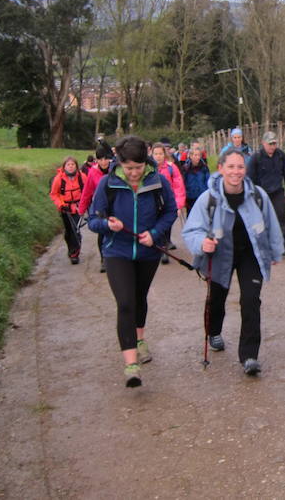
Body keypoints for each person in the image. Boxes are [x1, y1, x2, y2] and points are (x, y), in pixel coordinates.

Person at [183, 148, 283, 376]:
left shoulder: (257, 195)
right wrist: (202, 243)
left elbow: (271, 224)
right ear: (220, 169)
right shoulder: (208, 198)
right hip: (219, 254)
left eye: (240, 167)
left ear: (245, 170)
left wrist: (275, 252)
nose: (236, 172)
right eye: (231, 167)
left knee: (251, 300)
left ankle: (249, 355)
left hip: (251, 254)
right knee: (216, 298)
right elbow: (191, 230)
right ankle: (214, 331)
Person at [88, 135, 177, 388]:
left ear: (145, 161)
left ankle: (140, 339)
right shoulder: (107, 184)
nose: (134, 173)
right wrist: (107, 224)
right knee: (125, 302)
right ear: (120, 163)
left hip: (148, 252)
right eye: (129, 168)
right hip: (118, 252)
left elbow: (170, 211)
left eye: (138, 167)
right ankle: (131, 365)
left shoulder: (158, 182)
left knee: (139, 297)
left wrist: (155, 234)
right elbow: (93, 221)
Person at [247, 131, 285, 256]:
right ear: (263, 143)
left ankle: (284, 245)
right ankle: (261, 245)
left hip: (277, 191)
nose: (272, 146)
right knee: (261, 219)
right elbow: (249, 178)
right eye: (270, 144)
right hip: (260, 193)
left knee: (281, 216)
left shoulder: (280, 155)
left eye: (274, 143)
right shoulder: (256, 157)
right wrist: (251, 194)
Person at [79, 142, 114, 272]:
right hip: (101, 207)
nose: (103, 162)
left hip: (115, 205)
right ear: (96, 160)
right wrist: (82, 209)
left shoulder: (116, 169)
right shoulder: (93, 172)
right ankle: (103, 259)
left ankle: (117, 257)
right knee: (102, 232)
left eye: (105, 158)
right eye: (100, 159)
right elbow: (87, 192)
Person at [151, 142, 187, 264]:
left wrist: (178, 205)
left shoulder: (172, 167)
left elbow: (179, 187)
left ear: (164, 154)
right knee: (156, 225)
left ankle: (164, 248)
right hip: (153, 203)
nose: (158, 156)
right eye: (155, 154)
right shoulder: (147, 169)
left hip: (168, 202)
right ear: (152, 154)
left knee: (166, 226)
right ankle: (160, 248)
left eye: (160, 153)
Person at [50, 156, 87, 265]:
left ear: (76, 166)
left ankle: (74, 254)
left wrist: (85, 204)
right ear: (64, 166)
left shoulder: (82, 177)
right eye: (68, 165)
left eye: (72, 164)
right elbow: (54, 194)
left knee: (76, 229)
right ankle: (71, 249)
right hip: (64, 209)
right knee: (69, 231)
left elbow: (87, 190)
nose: (70, 167)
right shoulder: (59, 179)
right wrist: (61, 205)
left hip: (78, 207)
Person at [181, 147, 211, 215]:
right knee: (191, 216)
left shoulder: (204, 167)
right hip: (190, 197)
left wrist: (208, 192)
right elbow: (182, 183)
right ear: (190, 156)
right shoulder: (185, 168)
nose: (197, 157)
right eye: (195, 155)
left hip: (202, 196)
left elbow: (208, 181)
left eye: (199, 155)